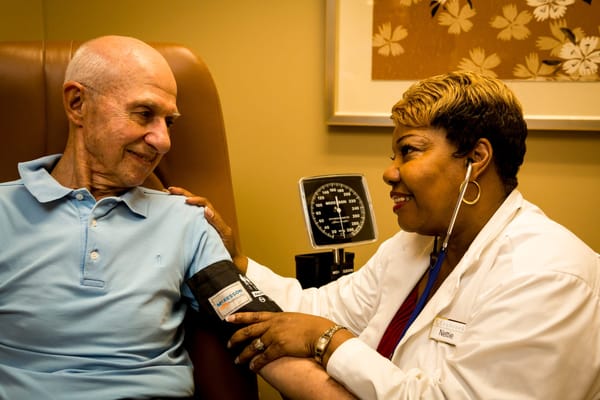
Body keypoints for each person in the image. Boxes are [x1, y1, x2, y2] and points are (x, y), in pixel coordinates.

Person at [179, 71, 600, 399]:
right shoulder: (419, 244)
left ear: (477, 157)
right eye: (393, 154)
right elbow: (321, 307)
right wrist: (237, 261)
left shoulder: (548, 276)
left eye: (410, 151)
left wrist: (328, 341)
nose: (389, 172)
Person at [0, 35, 286, 400]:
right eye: (144, 114)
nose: (163, 141)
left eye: (170, 121)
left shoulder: (186, 221)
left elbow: (260, 330)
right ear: (77, 104)